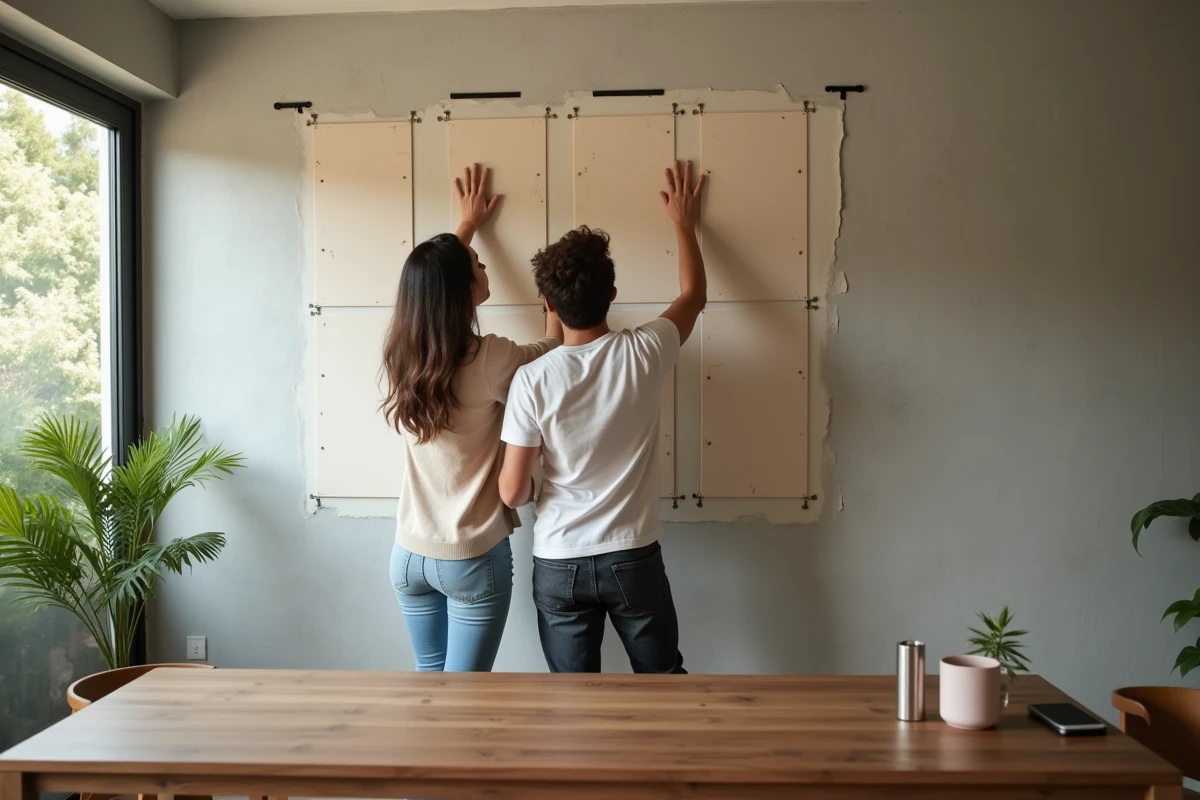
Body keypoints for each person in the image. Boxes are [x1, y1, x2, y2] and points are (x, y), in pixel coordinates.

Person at [497, 160, 707, 673]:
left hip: (558, 559)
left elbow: (512, 493)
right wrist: (683, 222)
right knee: (662, 684)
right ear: (612, 295)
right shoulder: (645, 350)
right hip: (631, 555)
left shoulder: (532, 379)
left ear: (547, 302)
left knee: (574, 705)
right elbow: (694, 297)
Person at [382, 164, 563, 672]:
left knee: (429, 681)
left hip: (407, 555)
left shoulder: (403, 354)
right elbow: (550, 349)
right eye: (477, 265)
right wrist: (552, 304)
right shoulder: (491, 359)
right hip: (469, 556)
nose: (484, 270)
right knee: (464, 699)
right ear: (463, 288)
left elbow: (427, 283)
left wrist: (465, 227)